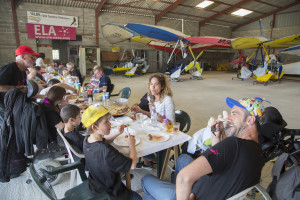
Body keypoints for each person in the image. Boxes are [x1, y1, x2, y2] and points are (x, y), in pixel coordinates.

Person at [141, 97, 266, 200]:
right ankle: (177, 188)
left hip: (194, 196)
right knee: (183, 158)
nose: (228, 118)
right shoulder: (258, 153)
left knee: (146, 180)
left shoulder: (233, 143)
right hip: (214, 188)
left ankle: (178, 192)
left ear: (250, 120)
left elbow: (184, 177)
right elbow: (221, 163)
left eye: (234, 114)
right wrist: (216, 138)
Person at [82, 105, 142, 200]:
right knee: (138, 198)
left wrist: (118, 132)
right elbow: (133, 165)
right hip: (110, 193)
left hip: (95, 186)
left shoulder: (87, 140)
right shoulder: (106, 151)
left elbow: (104, 141)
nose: (110, 124)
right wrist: (131, 144)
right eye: (106, 122)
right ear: (94, 127)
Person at [133, 73, 175, 169]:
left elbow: (170, 124)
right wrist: (142, 111)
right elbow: (153, 116)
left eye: (156, 84)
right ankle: (150, 159)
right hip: (155, 128)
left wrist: (156, 113)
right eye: (151, 84)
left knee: (140, 142)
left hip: (165, 132)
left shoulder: (167, 100)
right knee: (135, 133)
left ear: (162, 86)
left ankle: (151, 159)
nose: (152, 87)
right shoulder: (152, 98)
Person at [0, 45, 39, 126]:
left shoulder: (22, 71)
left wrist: (46, 98)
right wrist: (18, 88)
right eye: (32, 57)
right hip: (5, 108)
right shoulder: (10, 67)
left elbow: (26, 90)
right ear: (23, 57)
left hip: (16, 107)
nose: (34, 60)